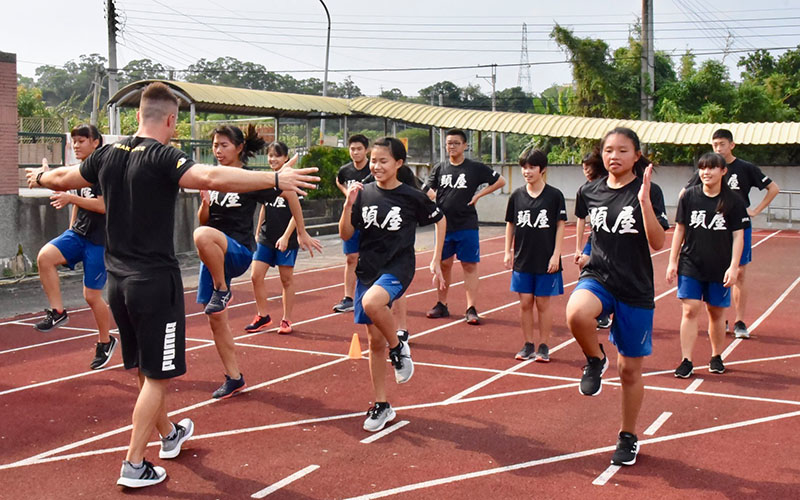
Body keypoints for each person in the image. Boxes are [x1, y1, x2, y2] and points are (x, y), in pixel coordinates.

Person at [26, 82, 319, 489]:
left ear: (138, 115)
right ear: (171, 120)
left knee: (145, 371)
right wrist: (272, 177)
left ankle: (169, 433)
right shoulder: (165, 157)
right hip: (154, 284)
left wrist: (40, 176)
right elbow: (211, 176)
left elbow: (62, 176)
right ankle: (133, 464)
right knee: (158, 376)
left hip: (118, 282)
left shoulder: (106, 154)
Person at [566, 127, 669, 467]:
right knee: (576, 313)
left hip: (635, 287)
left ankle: (628, 435)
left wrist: (644, 202)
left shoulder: (649, 191)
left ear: (636, 155)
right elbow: (593, 229)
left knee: (629, 371)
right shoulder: (589, 191)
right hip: (599, 276)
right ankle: (595, 360)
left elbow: (658, 243)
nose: (614, 156)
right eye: (609, 150)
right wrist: (585, 252)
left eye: (623, 150)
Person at [195, 127, 320, 399]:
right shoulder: (212, 178)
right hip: (213, 255)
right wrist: (204, 203)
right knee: (215, 318)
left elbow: (289, 194)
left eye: (224, 145)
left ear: (239, 147)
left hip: (237, 251)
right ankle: (234, 377)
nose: (218, 151)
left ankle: (222, 289)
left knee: (201, 235)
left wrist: (300, 231)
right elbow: (204, 220)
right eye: (215, 145)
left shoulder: (250, 179)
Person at [339, 137, 445, 432]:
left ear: (398, 163)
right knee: (374, 342)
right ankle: (382, 404)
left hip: (398, 266)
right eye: (373, 160)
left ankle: (399, 348)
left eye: (383, 161)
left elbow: (440, 219)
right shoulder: (363, 193)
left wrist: (436, 258)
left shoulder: (411, 196)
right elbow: (346, 234)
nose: (376, 166)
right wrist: (348, 205)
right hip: (368, 269)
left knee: (371, 303)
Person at [681, 129, 780, 339]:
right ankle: (720, 318)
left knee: (739, 272)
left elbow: (773, 188)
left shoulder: (745, 168)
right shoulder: (708, 169)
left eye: (722, 144)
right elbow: (684, 193)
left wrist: (756, 210)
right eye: (715, 144)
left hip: (737, 226)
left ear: (732, 145)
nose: (718, 148)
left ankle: (740, 321)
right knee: (715, 270)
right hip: (712, 227)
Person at [34, 124, 116, 370]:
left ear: (95, 142)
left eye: (82, 141)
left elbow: (103, 206)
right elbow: (78, 204)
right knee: (45, 257)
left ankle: (105, 341)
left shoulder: (104, 170)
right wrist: (70, 229)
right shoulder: (79, 170)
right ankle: (58, 312)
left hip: (100, 241)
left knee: (91, 296)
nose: (76, 146)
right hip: (78, 234)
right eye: (74, 141)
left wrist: (70, 197)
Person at [667, 153, 747, 378]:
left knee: (715, 312)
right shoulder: (689, 196)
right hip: (691, 263)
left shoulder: (733, 201)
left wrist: (734, 266)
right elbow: (680, 229)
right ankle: (686, 360)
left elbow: (738, 236)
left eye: (711, 168)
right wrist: (672, 261)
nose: (706, 172)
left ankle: (716, 356)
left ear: (723, 171)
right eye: (702, 168)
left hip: (719, 266)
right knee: (690, 309)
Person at [423, 128, 505, 325]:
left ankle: (471, 308)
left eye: (456, 143)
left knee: (469, 265)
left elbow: (500, 181)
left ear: (465, 146)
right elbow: (428, 190)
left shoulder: (474, 168)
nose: (452, 147)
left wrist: (478, 195)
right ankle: (442, 304)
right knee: (444, 264)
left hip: (467, 224)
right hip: (443, 225)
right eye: (449, 143)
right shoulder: (440, 168)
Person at [248, 141, 322, 336]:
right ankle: (262, 315)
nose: (272, 159)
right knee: (255, 276)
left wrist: (286, 236)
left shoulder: (292, 181)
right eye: (270, 155)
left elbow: (296, 213)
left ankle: (286, 319)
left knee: (286, 279)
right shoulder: (268, 180)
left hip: (286, 239)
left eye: (277, 156)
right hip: (266, 237)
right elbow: (264, 206)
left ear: (286, 158)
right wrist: (258, 231)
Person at [503, 149, 566, 362]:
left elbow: (560, 225)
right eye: (524, 167)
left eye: (532, 167)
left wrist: (556, 255)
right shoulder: (516, 196)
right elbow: (510, 224)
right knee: (525, 303)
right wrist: (507, 251)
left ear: (542, 169)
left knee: (543, 303)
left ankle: (544, 345)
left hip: (546, 259)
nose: (527, 171)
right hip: (523, 259)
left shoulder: (554, 196)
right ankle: (528, 344)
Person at [332, 134, 371, 313]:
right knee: (351, 258)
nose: (355, 152)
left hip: (371, 218)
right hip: (351, 218)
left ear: (366, 150)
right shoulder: (345, 170)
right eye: (352, 149)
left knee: (371, 258)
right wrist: (347, 193)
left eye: (359, 149)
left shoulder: (372, 169)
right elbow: (339, 181)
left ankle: (373, 295)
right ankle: (348, 298)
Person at [574, 149, 612, 329]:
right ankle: (597, 310)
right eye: (584, 168)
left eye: (589, 167)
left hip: (612, 239)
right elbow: (581, 218)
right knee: (584, 263)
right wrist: (577, 247)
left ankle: (605, 310)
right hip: (594, 238)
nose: (587, 171)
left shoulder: (609, 185)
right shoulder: (584, 191)